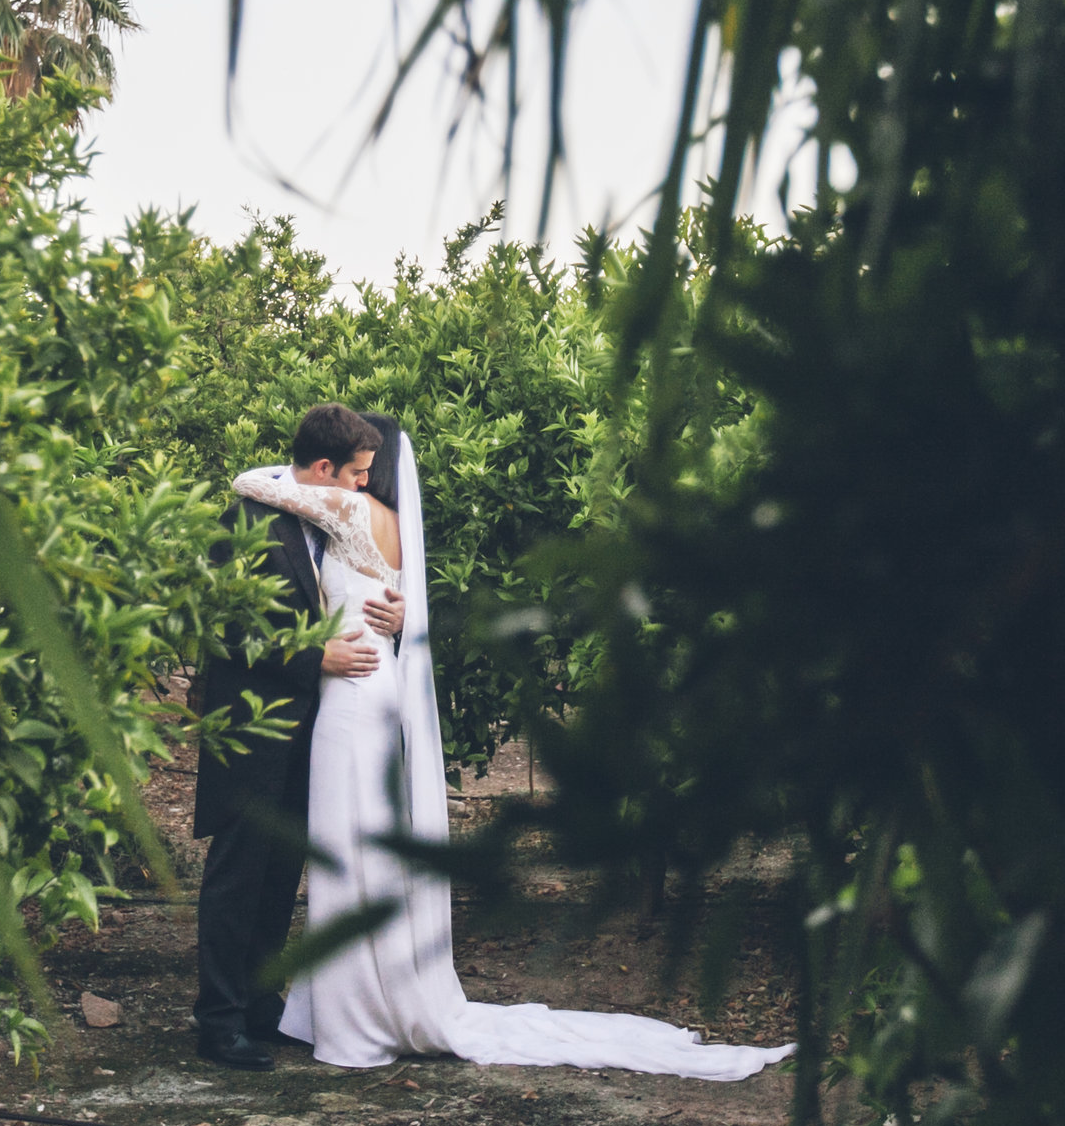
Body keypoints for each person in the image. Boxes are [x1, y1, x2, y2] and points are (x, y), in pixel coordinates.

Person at [228, 413, 795, 1080]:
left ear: (371, 471)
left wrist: (277, 470)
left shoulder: (350, 507)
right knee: (363, 845)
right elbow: (392, 597)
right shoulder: (390, 522)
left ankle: (353, 1016)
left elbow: (259, 483)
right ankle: (359, 999)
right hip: (375, 690)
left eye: (361, 464)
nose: (354, 473)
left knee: (344, 852)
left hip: (350, 699)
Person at [191, 403, 404, 1070]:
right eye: (357, 475)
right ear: (322, 469)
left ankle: (261, 1004)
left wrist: (393, 610)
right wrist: (317, 658)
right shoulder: (246, 520)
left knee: (281, 875)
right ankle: (218, 1021)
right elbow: (227, 630)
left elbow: (365, 585)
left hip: (316, 730)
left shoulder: (333, 521)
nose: (364, 488)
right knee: (238, 874)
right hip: (254, 727)